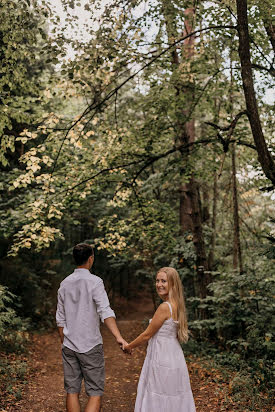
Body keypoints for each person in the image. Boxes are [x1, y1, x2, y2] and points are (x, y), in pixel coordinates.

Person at [56, 243, 128, 412]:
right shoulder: (95, 282)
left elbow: (60, 318)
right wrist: (119, 337)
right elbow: (105, 311)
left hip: (69, 345)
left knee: (72, 391)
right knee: (94, 392)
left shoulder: (64, 283)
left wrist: (64, 341)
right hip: (91, 345)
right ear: (90, 259)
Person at [124, 267, 196, 412]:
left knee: (160, 392)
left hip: (162, 356)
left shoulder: (165, 307)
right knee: (172, 393)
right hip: (174, 355)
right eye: (157, 281)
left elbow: (146, 335)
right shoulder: (178, 305)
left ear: (173, 284)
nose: (159, 284)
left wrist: (129, 346)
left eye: (164, 281)